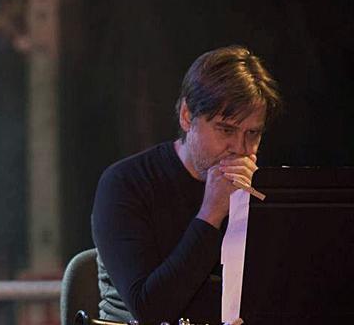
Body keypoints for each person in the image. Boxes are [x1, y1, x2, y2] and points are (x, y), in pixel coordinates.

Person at [91, 45, 281, 324]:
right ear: (186, 116)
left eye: (252, 134)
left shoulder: (262, 189)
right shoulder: (125, 183)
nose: (240, 148)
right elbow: (150, 310)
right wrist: (211, 212)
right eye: (226, 129)